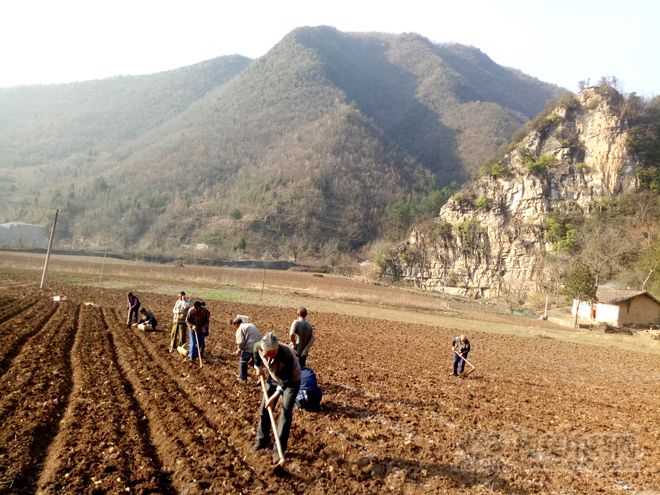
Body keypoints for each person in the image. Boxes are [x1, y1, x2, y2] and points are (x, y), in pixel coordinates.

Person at [251, 332, 301, 465]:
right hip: (273, 377)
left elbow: (285, 381)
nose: (267, 357)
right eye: (266, 354)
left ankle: (279, 450)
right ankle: (262, 439)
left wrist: (274, 397)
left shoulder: (286, 355)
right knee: (264, 408)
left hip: (291, 381)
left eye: (271, 354)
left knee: (285, 413)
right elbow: (255, 354)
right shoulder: (258, 346)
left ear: (277, 348)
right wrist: (258, 367)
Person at [231, 315, 262, 382]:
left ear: (236, 324)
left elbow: (241, 342)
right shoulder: (250, 324)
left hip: (251, 346)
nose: (235, 327)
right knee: (255, 362)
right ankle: (261, 377)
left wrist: (238, 351)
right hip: (260, 345)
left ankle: (242, 378)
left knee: (243, 360)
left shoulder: (240, 329)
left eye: (234, 326)